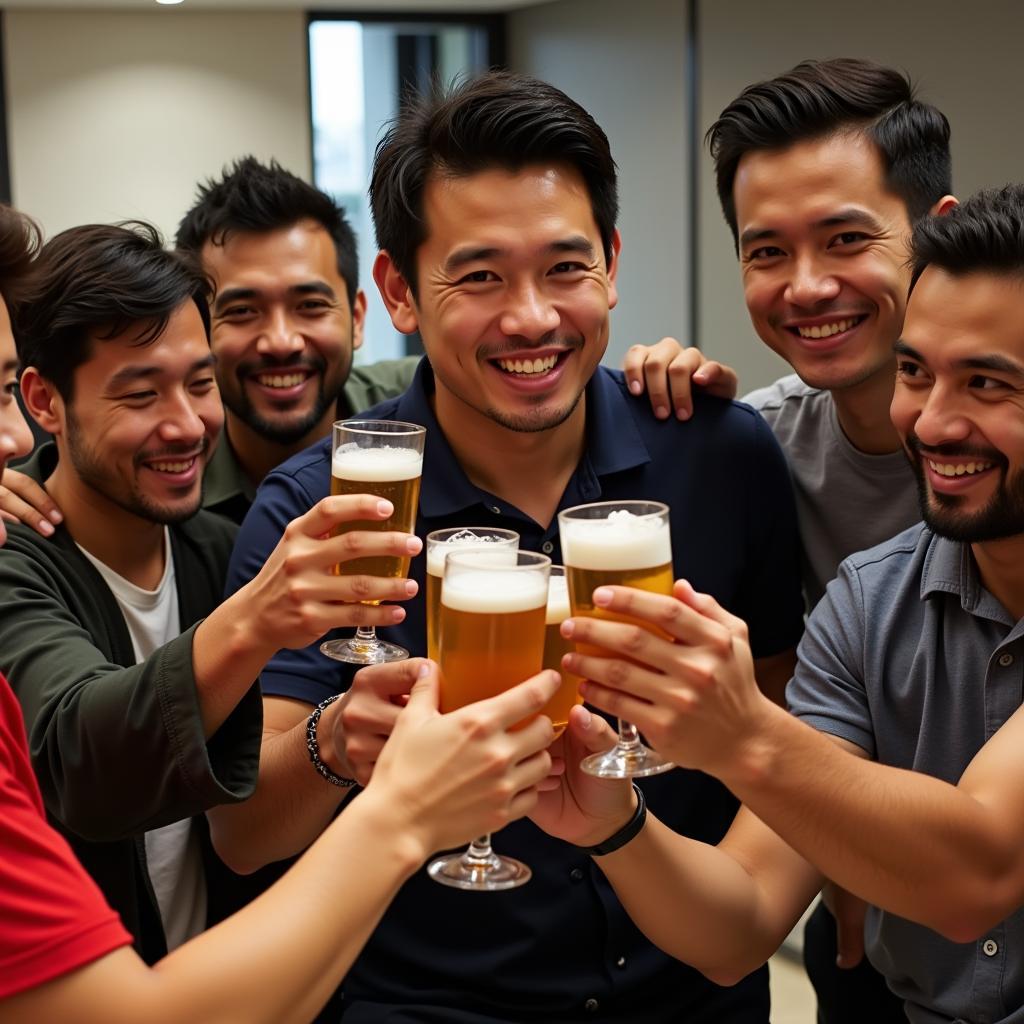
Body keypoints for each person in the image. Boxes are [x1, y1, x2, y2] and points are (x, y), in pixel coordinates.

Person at [221, 71, 804, 1023]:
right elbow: (244, 836)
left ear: (612, 262)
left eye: (566, 269)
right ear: (400, 292)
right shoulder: (322, 506)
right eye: (481, 276)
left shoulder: (721, 452)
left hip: (691, 995)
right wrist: (339, 743)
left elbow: (784, 733)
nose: (532, 318)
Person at [539, 183, 1024, 1024]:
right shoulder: (867, 604)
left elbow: (975, 874)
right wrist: (609, 825)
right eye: (916, 372)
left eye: (988, 383)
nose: (933, 422)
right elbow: (741, 928)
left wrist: (741, 732)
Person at [0, 221, 431, 963]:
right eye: (140, 395)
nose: (186, 424)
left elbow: (424, 382)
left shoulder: (220, 545)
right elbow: (80, 756)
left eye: (200, 384)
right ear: (43, 401)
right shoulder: (15, 557)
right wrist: (255, 620)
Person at [0, 157, 721, 532]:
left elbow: (510, 371)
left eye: (309, 305)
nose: (281, 341)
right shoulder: (162, 453)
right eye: (243, 310)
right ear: (201, 326)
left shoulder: (410, 406)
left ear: (363, 311)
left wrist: (661, 372)